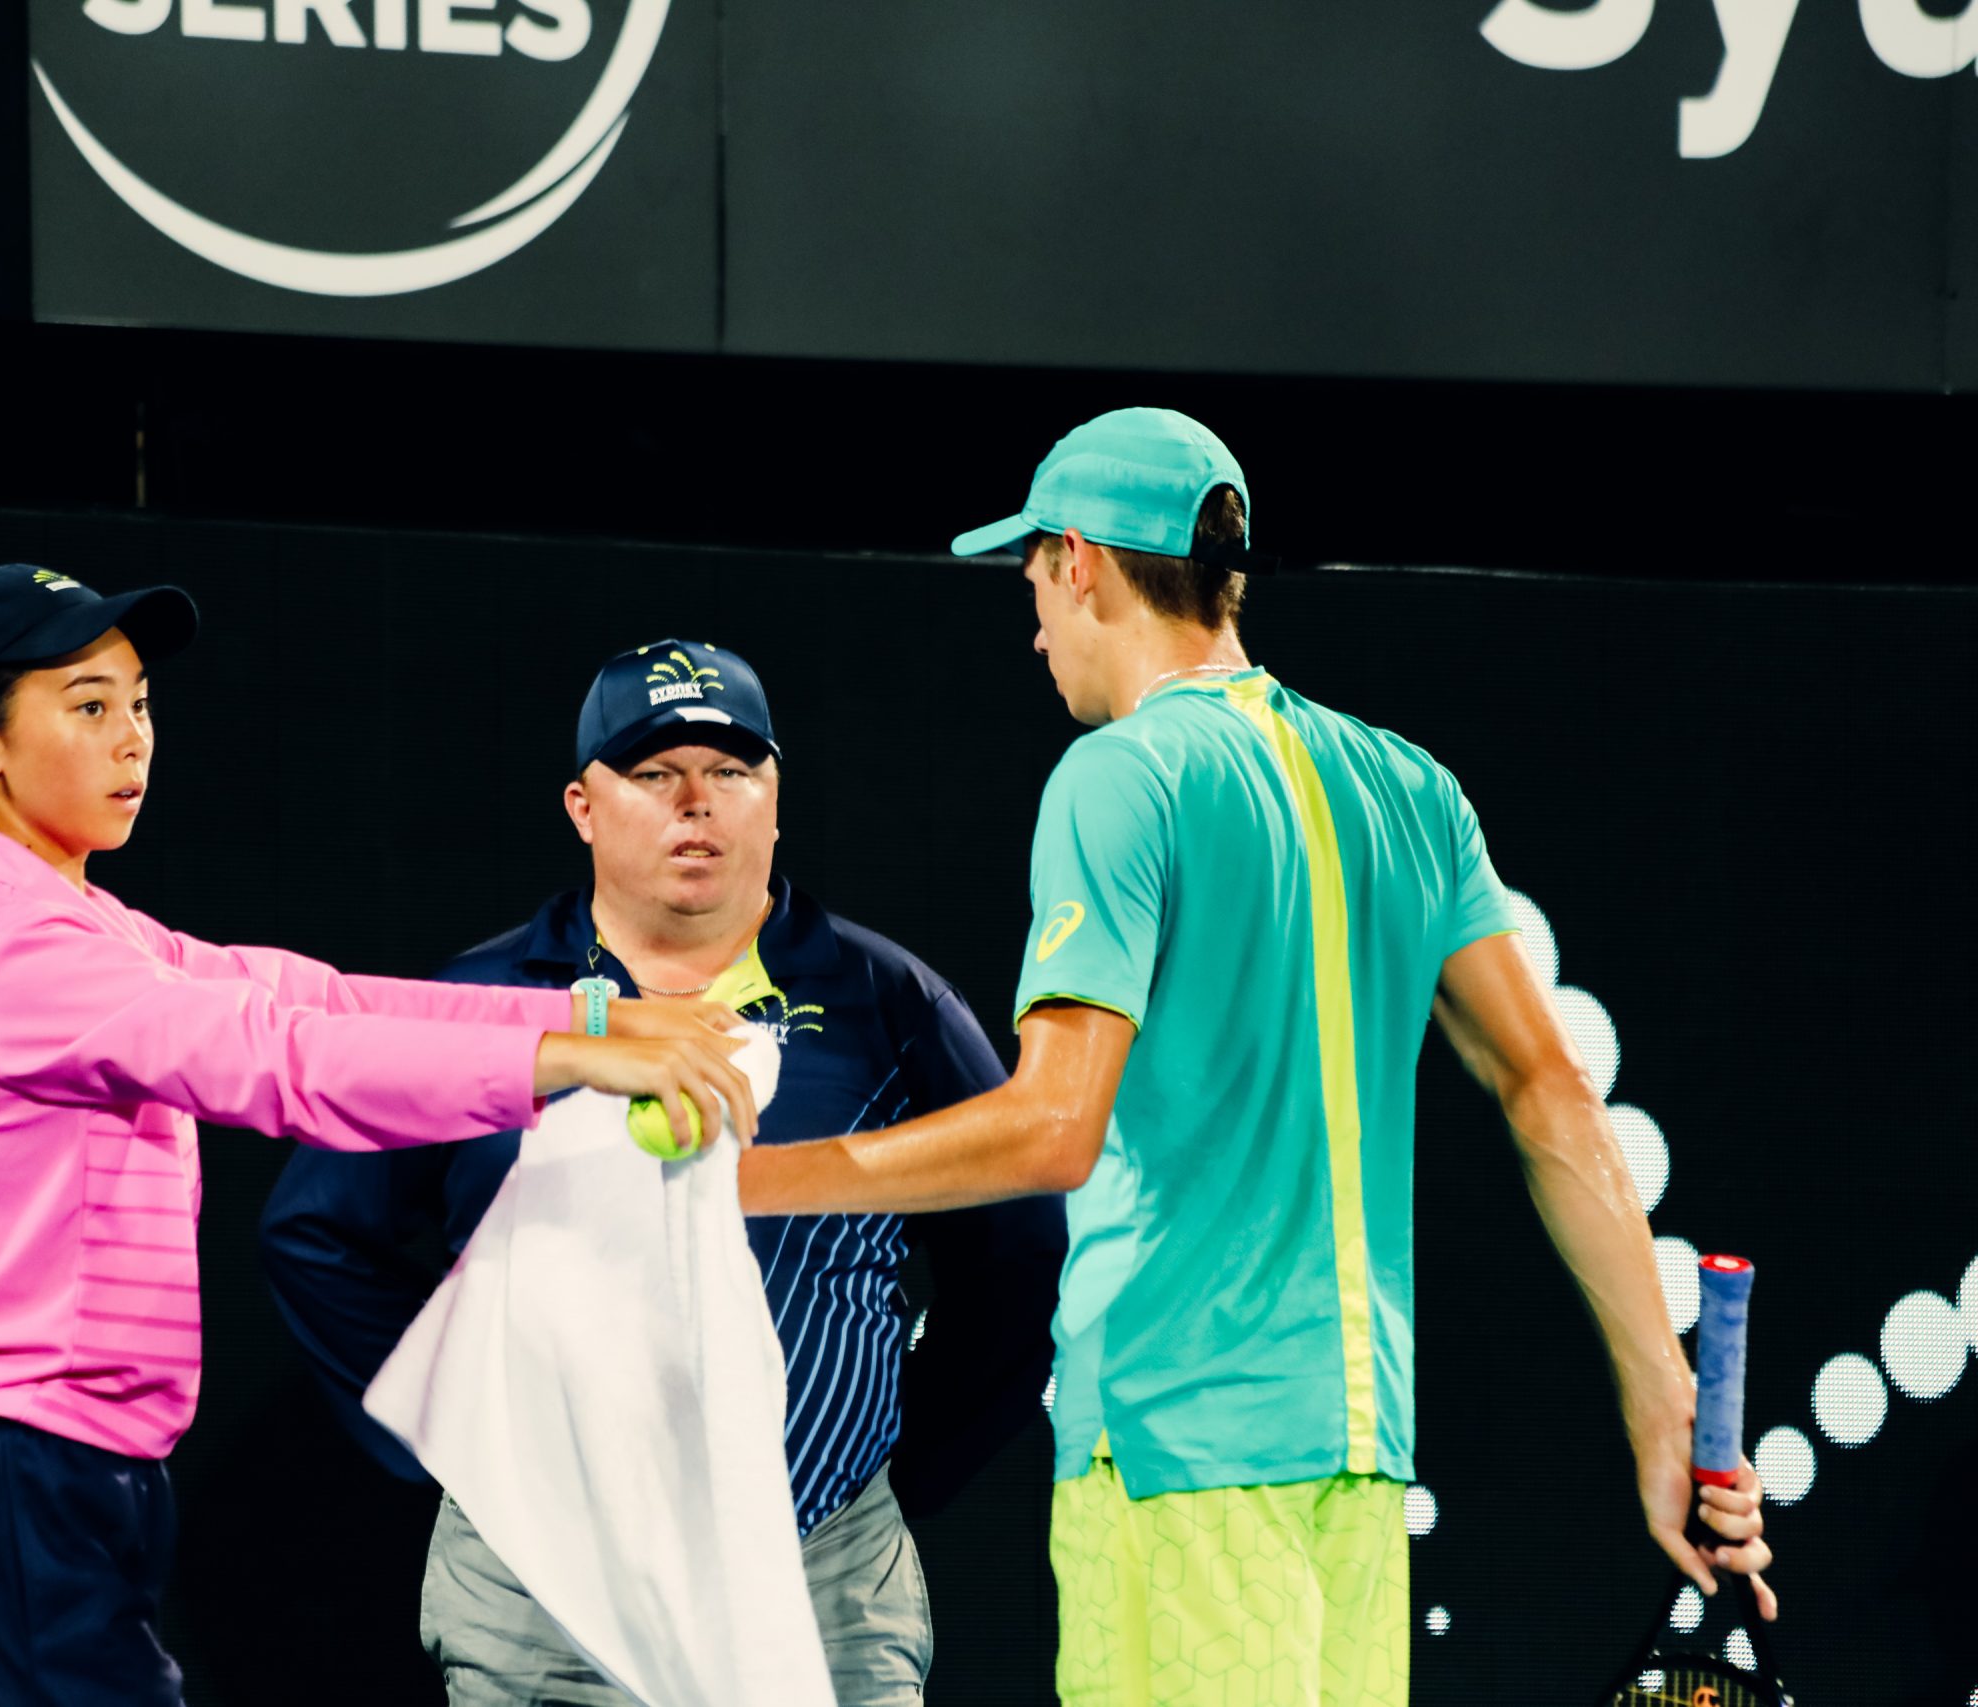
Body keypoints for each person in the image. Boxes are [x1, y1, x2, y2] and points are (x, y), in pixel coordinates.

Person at [734, 410, 1776, 1706]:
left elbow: (1054, 1125)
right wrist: (1661, 1397)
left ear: (1079, 560)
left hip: (1177, 1457)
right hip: (1356, 1465)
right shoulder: (1406, 785)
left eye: (1031, 573)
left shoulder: (1118, 778)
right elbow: (1549, 1090)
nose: (1034, 617)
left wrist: (756, 1178)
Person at [0, 567, 756, 1707]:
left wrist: (584, 1012)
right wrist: (565, 1061)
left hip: (59, 1480)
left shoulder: (85, 931)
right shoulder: (8, 953)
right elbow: (285, 1062)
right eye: (87, 707)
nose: (132, 739)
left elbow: (313, 1002)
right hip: (4, 1479)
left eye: (138, 704)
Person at [260, 639, 1068, 1707]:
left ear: (774, 799)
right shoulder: (490, 1001)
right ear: (582, 806)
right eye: (654, 773)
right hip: (541, 1586)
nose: (699, 803)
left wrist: (893, 1462)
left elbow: (1020, 1247)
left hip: (817, 1574)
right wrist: (458, 1444)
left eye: (732, 772)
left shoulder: (889, 1004)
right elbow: (316, 1229)